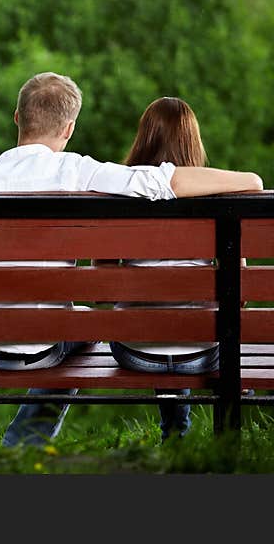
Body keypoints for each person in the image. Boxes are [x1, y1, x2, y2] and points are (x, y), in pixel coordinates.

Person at [0, 73, 263, 448]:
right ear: (69, 128)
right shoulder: (80, 172)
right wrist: (250, 178)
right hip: (45, 350)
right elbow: (160, 183)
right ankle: (25, 442)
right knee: (85, 323)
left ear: (17, 117)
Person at [106, 97, 225, 441]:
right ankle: (182, 436)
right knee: (189, 323)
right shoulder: (216, 198)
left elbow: (103, 284)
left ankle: (175, 432)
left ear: (144, 138)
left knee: (151, 319)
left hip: (134, 352)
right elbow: (242, 293)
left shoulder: (121, 195)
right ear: (193, 141)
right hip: (204, 354)